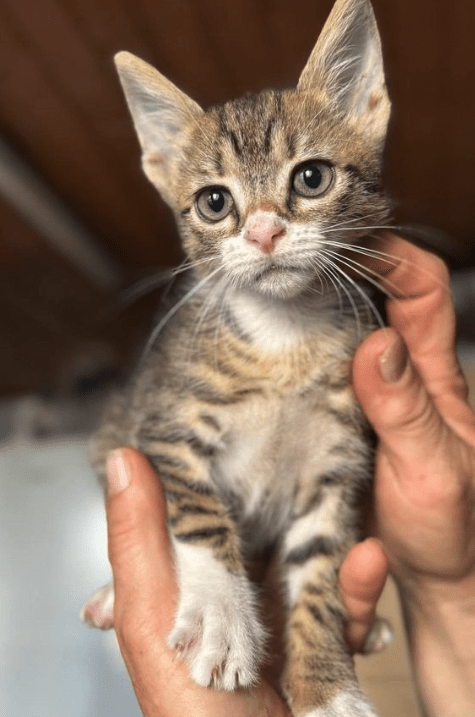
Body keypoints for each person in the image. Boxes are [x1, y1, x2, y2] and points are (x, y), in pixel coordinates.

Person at [104, 233, 475, 717]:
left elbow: (325, 517)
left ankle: (318, 682)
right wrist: (215, 581)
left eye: (310, 178)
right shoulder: (202, 339)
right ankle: (167, 563)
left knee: (332, 512)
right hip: (218, 529)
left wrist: (449, 592)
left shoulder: (358, 330)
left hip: (282, 523)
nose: (264, 230)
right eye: (217, 202)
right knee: (120, 439)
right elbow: (167, 452)